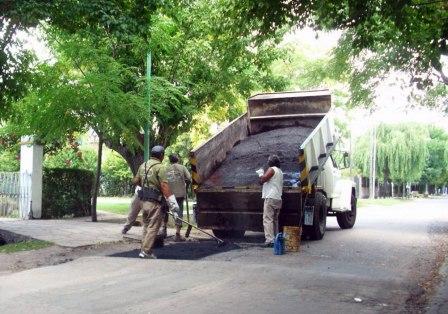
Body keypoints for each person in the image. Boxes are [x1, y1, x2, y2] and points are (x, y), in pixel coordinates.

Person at [133, 145, 180, 259]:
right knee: (153, 227)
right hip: (154, 202)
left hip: (143, 201)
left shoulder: (143, 165)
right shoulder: (160, 167)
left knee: (146, 226)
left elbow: (135, 180)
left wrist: (145, 187)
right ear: (161, 155)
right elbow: (164, 186)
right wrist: (173, 204)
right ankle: (146, 252)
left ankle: (143, 250)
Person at [164, 153, 192, 241]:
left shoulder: (166, 169)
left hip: (168, 194)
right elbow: (189, 178)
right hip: (180, 194)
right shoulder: (182, 167)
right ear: (178, 159)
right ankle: (177, 234)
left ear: (170, 160)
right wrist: (186, 187)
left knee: (166, 212)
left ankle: (163, 231)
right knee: (178, 212)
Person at [258, 154, 283, 247]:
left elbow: (262, 180)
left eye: (268, 160)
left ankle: (269, 240)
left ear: (271, 162)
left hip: (270, 198)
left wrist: (260, 173)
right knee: (275, 220)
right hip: (278, 198)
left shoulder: (272, 169)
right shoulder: (280, 171)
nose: (267, 162)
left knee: (267, 219)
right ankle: (276, 238)